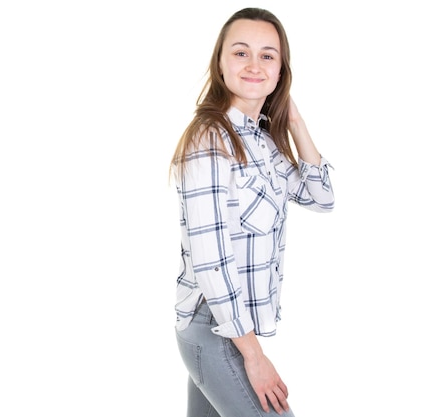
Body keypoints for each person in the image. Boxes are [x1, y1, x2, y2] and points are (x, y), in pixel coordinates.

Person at [170, 7, 334, 417]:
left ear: (281, 71)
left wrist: (293, 119)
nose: (255, 65)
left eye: (268, 55)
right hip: (215, 328)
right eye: (241, 53)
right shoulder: (211, 140)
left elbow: (322, 197)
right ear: (220, 63)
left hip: (227, 328)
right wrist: (255, 358)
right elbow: (211, 262)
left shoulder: (263, 140)